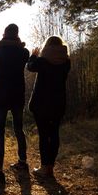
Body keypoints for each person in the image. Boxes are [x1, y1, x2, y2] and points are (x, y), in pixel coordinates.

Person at [0, 23, 29, 183]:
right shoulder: (24, 53)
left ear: (4, 34)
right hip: (17, 97)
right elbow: (24, 55)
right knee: (18, 130)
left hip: (1, 98)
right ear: (17, 35)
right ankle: (22, 162)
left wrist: (2, 43)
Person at [27, 36, 71, 177]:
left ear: (47, 46)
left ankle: (44, 167)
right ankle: (50, 166)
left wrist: (33, 56)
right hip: (58, 104)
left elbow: (30, 67)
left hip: (41, 104)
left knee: (44, 135)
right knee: (54, 134)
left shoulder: (42, 61)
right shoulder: (66, 62)